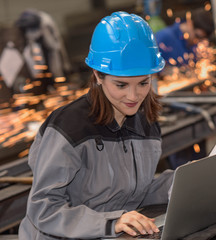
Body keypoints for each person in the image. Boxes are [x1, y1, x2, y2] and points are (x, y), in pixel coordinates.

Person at [18, 11, 174, 239]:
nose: (134, 96)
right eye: (121, 85)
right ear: (98, 76)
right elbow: (44, 209)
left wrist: (183, 182)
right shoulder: (69, 127)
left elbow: (135, 193)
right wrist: (112, 222)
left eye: (143, 83)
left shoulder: (145, 123)